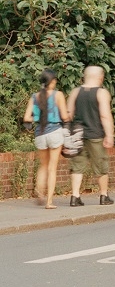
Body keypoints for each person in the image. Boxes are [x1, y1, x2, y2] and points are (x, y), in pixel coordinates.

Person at [66, 65, 115, 206]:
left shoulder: (75, 92)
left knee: (77, 165)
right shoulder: (101, 93)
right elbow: (105, 116)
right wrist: (109, 135)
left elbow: (69, 114)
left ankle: (75, 196)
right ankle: (103, 195)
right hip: (95, 134)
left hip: (77, 134)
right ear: (101, 77)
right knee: (101, 165)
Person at [23, 68, 71, 209]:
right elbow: (64, 116)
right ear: (52, 81)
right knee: (52, 168)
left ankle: (40, 193)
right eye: (55, 79)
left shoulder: (34, 97)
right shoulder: (58, 95)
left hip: (40, 133)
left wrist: (38, 117)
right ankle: (49, 202)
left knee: (43, 166)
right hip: (55, 131)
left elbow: (26, 118)